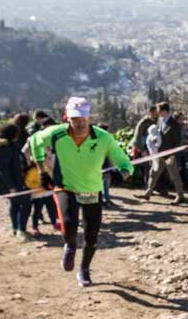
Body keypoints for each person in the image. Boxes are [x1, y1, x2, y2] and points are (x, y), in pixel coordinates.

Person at [28, 96, 133, 287]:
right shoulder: (56, 133)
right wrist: (42, 170)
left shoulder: (103, 137)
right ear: (67, 117)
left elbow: (125, 162)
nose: (80, 122)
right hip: (65, 186)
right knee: (69, 225)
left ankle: (84, 270)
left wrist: (122, 175)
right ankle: (70, 244)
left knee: (92, 236)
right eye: (76, 118)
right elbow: (35, 141)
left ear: (89, 117)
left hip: (92, 189)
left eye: (84, 118)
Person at [0, 122, 30, 241]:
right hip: (12, 183)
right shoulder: (3, 149)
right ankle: (21, 230)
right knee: (25, 203)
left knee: (15, 204)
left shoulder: (10, 145)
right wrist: (11, 187)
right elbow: (3, 170)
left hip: (17, 181)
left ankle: (16, 229)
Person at [142, 101, 184, 204]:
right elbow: (158, 134)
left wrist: (173, 155)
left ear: (164, 111)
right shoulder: (160, 120)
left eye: (159, 111)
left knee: (174, 176)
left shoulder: (174, 123)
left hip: (170, 155)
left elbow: (178, 141)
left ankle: (180, 195)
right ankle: (148, 192)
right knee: (154, 172)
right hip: (160, 152)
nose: (157, 113)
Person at [132, 105, 158, 188]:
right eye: (154, 112)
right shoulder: (143, 122)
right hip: (144, 148)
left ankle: (152, 186)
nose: (156, 114)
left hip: (154, 147)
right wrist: (142, 150)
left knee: (153, 167)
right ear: (150, 112)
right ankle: (147, 186)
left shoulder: (157, 121)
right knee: (146, 167)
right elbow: (137, 137)